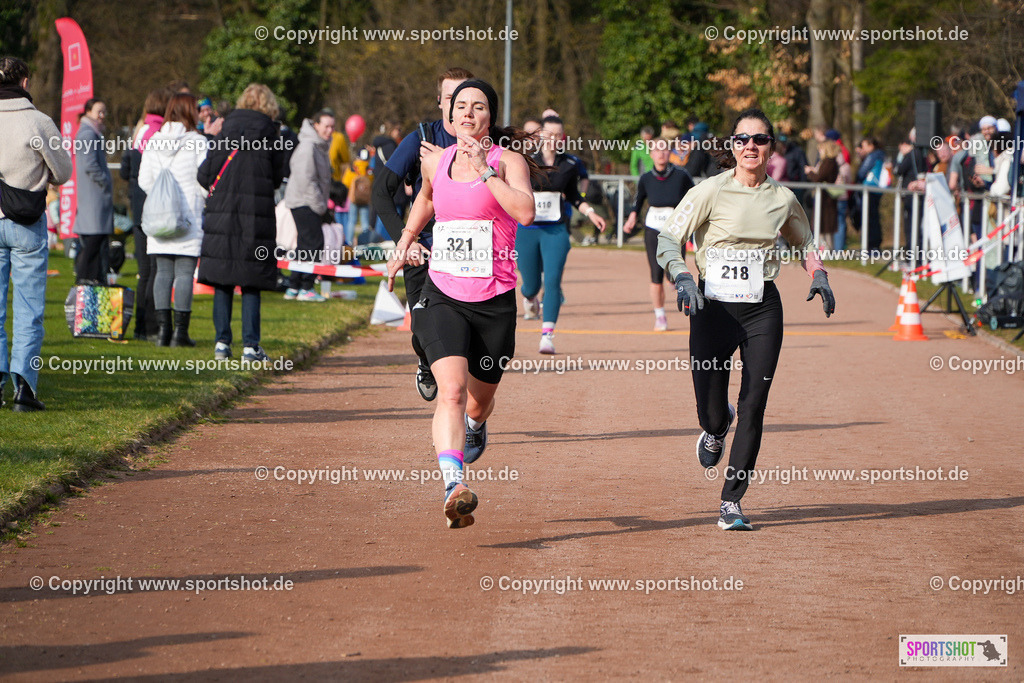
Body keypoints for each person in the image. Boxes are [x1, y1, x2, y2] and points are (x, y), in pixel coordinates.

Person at [656, 108, 835, 531]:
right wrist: (683, 277)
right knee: (711, 411)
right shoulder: (709, 191)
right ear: (732, 146)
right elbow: (669, 238)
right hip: (711, 307)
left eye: (759, 139)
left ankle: (731, 501)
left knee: (754, 404)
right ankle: (716, 427)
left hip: (762, 308)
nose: (750, 146)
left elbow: (805, 242)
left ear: (771, 147)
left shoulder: (782, 199)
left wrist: (819, 273)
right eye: (742, 139)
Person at [385, 79, 537, 528]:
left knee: (476, 402)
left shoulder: (507, 161)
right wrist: (405, 241)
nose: (468, 112)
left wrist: (486, 170)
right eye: (461, 106)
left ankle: (476, 426)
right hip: (443, 292)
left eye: (478, 107)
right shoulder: (436, 160)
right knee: (450, 391)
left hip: (494, 299)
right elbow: (426, 199)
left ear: (490, 117)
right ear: (449, 115)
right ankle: (454, 485)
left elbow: (525, 212)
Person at [372, 66, 473, 402]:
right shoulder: (421, 138)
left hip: (469, 252)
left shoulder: (486, 141)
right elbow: (380, 192)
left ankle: (465, 404)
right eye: (451, 98)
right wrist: (407, 240)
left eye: (465, 99)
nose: (459, 107)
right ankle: (426, 360)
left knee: (468, 334)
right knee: (423, 329)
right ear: (440, 102)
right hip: (425, 249)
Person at [0, 56, 72, 411]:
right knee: (28, 308)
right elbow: (64, 172)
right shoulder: (39, 121)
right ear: (25, 82)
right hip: (27, 221)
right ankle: (24, 389)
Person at [197, 83, 285, 362]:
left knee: (222, 280)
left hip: (222, 213)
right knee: (251, 280)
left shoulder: (225, 129)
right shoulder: (271, 134)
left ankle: (222, 344)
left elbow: (204, 175)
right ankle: (250, 346)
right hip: (255, 215)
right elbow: (278, 176)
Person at [517, 115, 606, 354]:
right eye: (549, 134)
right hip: (527, 231)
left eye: (559, 135)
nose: (554, 139)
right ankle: (530, 298)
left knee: (553, 281)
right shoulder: (526, 161)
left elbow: (575, 195)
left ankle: (547, 335)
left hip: (555, 231)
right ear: (541, 135)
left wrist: (591, 213)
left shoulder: (568, 164)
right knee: (530, 286)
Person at [138, 92, 208, 347]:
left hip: (159, 217)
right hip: (189, 216)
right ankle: (180, 333)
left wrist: (161, 198)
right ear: (190, 112)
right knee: (185, 273)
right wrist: (199, 198)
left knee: (163, 272)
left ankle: (163, 333)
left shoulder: (154, 140)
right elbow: (205, 181)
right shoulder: (198, 142)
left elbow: (144, 180)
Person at [622, 136, 694, 331]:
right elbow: (638, 200)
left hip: (675, 229)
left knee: (674, 272)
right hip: (653, 228)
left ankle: (672, 280)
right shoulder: (646, 178)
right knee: (655, 274)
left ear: (670, 152)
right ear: (651, 154)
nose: (661, 153)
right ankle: (660, 315)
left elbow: (694, 198)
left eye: (664, 149)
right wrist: (631, 218)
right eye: (657, 149)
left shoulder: (681, 175)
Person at [121, 87, 170, 341]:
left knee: (145, 271)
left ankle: (141, 326)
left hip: (138, 208)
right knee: (154, 270)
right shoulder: (158, 134)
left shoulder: (140, 132)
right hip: (153, 209)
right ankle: (151, 326)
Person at [283, 109, 335, 302]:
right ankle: (306, 287)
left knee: (305, 244)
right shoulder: (308, 146)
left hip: (307, 201)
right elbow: (307, 180)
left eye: (332, 127)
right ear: (316, 125)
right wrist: (320, 206)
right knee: (314, 243)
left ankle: (294, 286)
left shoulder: (319, 146)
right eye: (326, 126)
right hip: (304, 201)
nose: (329, 130)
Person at [74, 98, 113, 283]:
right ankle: (84, 281)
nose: (102, 115)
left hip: (94, 196)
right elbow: (90, 164)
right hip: (94, 196)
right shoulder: (88, 134)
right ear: (88, 112)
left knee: (94, 245)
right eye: (99, 111)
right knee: (93, 244)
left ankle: (90, 282)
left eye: (104, 111)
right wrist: (105, 180)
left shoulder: (90, 133)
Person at [805, 140, 840, 249]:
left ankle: (826, 250)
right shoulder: (830, 162)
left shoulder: (829, 162)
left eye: (821, 149)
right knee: (822, 226)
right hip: (825, 198)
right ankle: (824, 249)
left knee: (824, 226)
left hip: (826, 199)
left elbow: (819, 178)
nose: (819, 151)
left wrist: (810, 172)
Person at [854, 137, 885, 253]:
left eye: (864, 146)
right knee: (873, 217)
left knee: (870, 218)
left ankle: (872, 245)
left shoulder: (873, 156)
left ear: (871, 145)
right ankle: (872, 244)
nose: (863, 149)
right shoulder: (880, 155)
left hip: (870, 189)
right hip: (875, 190)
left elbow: (861, 173)